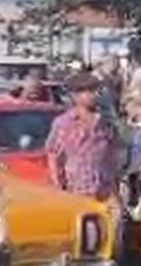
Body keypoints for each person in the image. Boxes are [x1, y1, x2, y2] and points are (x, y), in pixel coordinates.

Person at [45, 73, 119, 202]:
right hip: (76, 191)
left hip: (104, 192)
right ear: (75, 95)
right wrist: (58, 185)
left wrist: (114, 184)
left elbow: (113, 154)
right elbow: (53, 156)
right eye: (89, 91)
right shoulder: (64, 123)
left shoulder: (106, 122)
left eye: (96, 90)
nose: (94, 95)